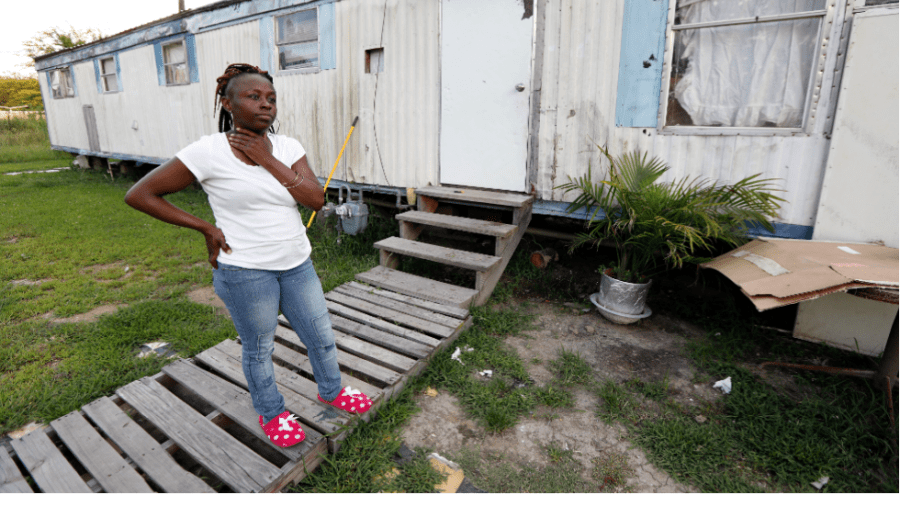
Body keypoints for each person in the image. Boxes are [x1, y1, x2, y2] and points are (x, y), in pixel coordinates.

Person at [125, 63, 371, 449]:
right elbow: (140, 195)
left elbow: (315, 199)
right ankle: (271, 411)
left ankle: (331, 390)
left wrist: (267, 158)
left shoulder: (288, 147)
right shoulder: (207, 151)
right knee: (259, 348)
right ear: (227, 102)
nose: (265, 105)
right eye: (253, 97)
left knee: (320, 336)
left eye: (270, 98)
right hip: (246, 272)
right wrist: (205, 228)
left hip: (296, 265)